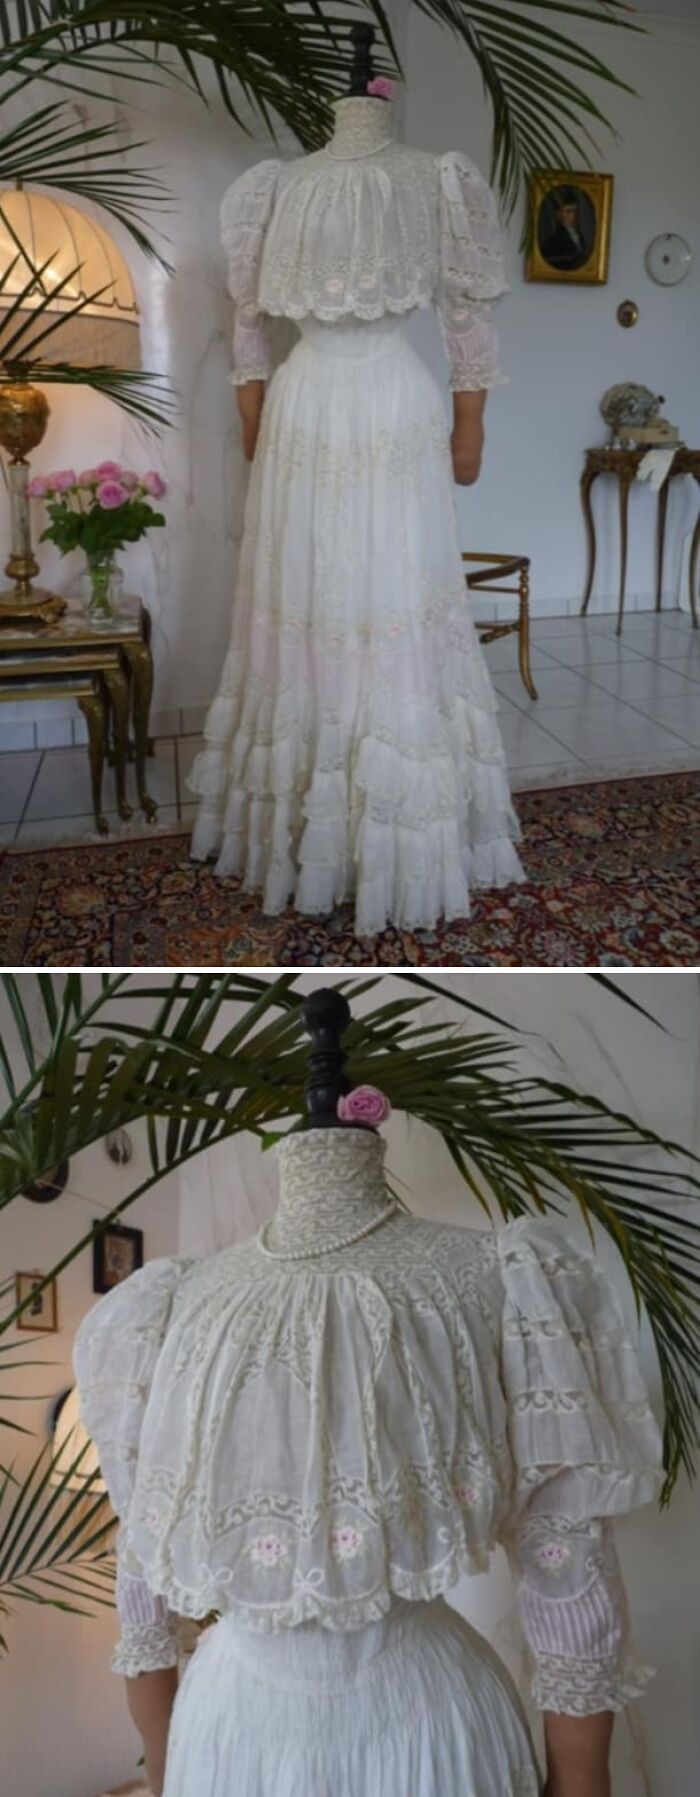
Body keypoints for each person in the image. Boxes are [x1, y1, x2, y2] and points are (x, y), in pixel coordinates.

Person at [74, 1123, 663, 1797]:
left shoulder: (500, 1276)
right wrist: (165, 1769)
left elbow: (564, 1558)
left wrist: (582, 1781)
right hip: (232, 1738)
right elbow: (144, 1581)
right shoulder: (166, 1304)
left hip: (432, 1737)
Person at [188, 88, 524, 938]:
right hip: (304, 415)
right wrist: (254, 412)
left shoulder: (434, 180)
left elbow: (466, 311)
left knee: (390, 601)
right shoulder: (277, 188)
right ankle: (300, 824)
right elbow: (250, 321)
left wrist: (471, 420)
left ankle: (398, 832)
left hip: (389, 410)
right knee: (310, 600)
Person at [540, 188, 590, 272]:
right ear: (558, 214)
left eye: (575, 211)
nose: (573, 215)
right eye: (568, 211)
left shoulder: (580, 236)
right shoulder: (553, 240)